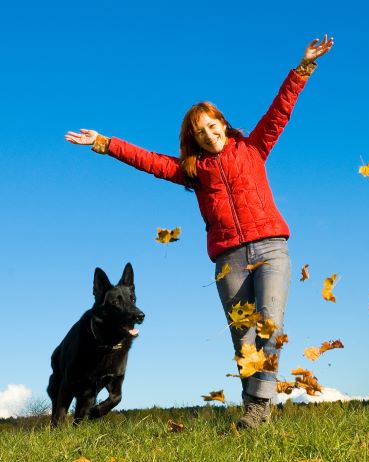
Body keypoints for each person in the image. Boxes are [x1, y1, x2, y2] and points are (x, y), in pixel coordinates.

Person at [65, 35, 334, 429]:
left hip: (271, 248)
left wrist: (304, 66)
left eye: (213, 126)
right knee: (243, 338)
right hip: (229, 260)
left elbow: (280, 111)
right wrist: (105, 143)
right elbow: (150, 161)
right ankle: (256, 409)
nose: (210, 135)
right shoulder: (193, 171)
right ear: (194, 139)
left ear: (223, 123)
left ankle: (258, 407)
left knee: (269, 325)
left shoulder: (254, 148)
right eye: (201, 132)